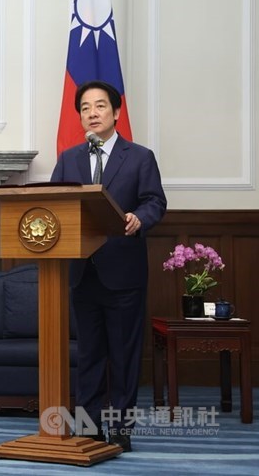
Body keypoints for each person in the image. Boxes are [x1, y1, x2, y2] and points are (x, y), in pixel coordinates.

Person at [50, 80, 167, 452]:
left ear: (116, 112)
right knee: (89, 354)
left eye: (100, 106)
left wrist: (139, 219)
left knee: (124, 354)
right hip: (83, 272)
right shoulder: (69, 158)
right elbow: (54, 204)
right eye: (85, 108)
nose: (93, 113)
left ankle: (120, 428)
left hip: (123, 271)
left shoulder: (139, 157)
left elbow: (155, 201)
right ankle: (88, 426)